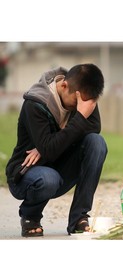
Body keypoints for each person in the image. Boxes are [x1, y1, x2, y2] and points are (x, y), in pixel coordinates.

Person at [5, 63, 108, 237]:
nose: (78, 108)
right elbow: (50, 150)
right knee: (48, 178)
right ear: (63, 86)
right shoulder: (36, 103)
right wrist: (80, 118)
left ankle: (79, 219)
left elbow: (94, 127)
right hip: (27, 174)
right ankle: (31, 216)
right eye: (77, 103)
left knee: (96, 143)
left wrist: (51, 142)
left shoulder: (82, 92)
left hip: (59, 166)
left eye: (84, 105)